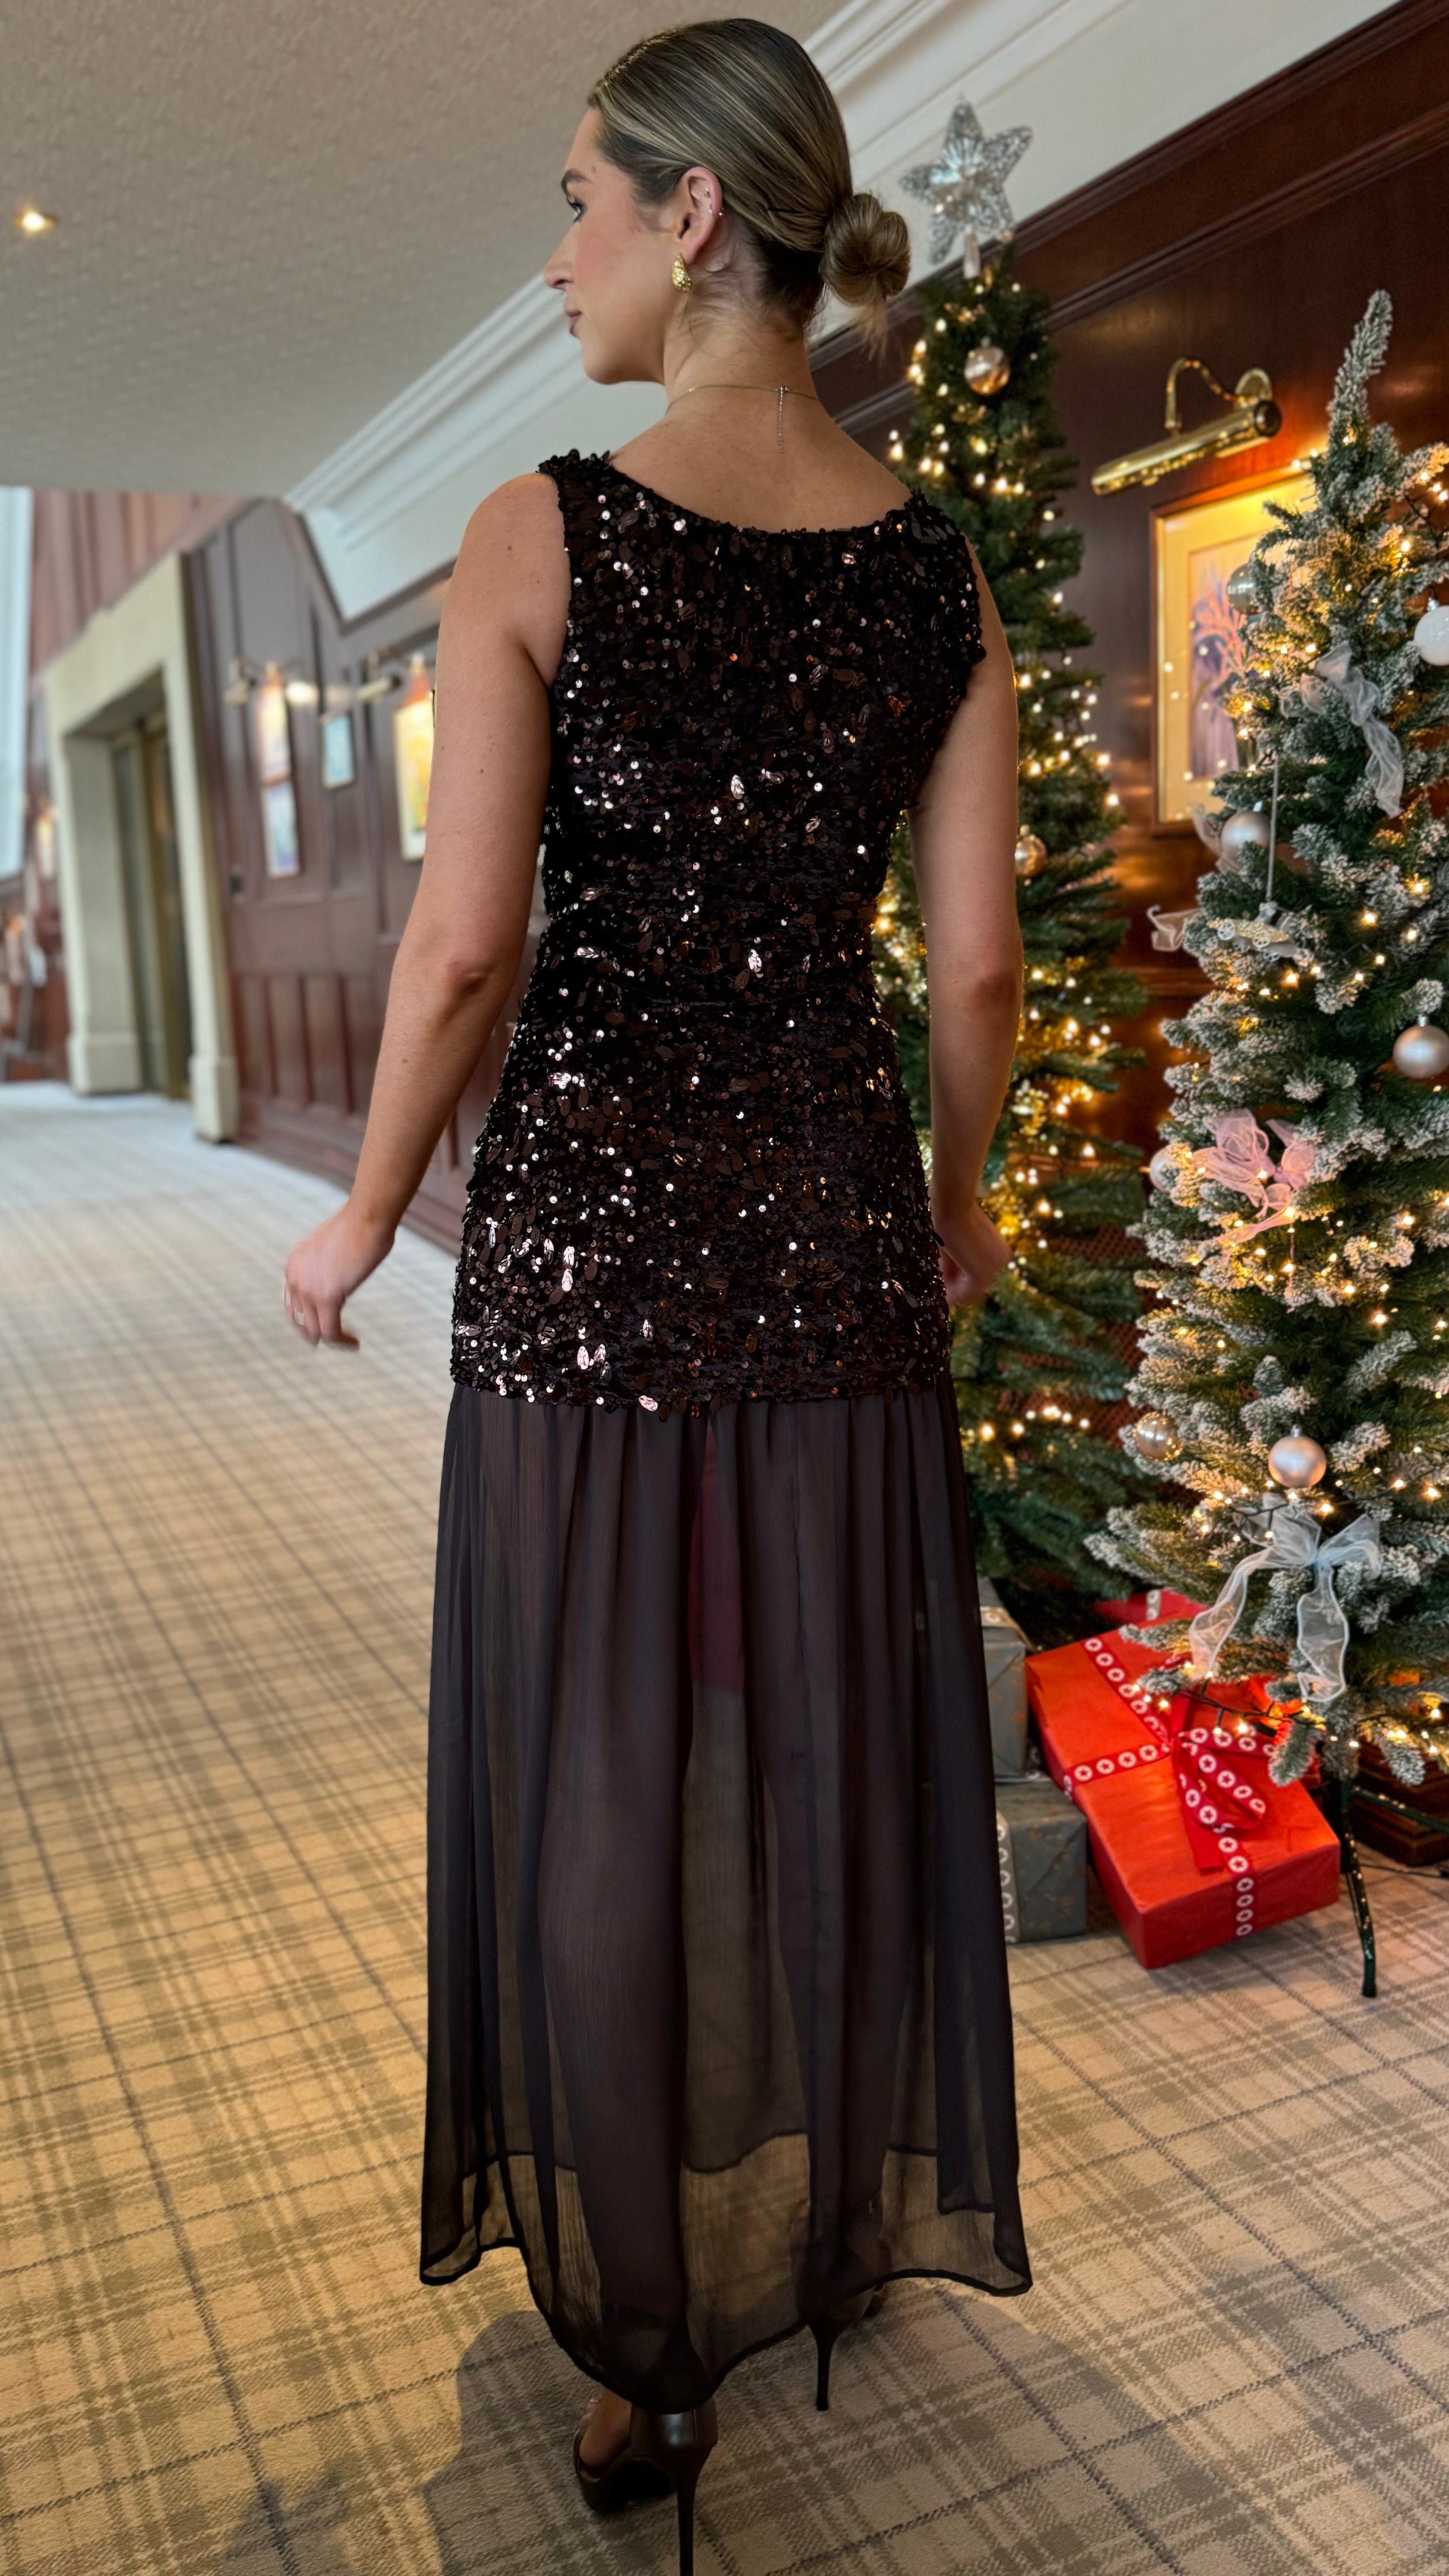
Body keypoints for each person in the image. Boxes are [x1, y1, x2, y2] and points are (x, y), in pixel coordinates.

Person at [282, 21, 1030, 2571]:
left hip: (592, 1278)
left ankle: (643, 2339)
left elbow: (461, 951)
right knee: (823, 1744)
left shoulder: (542, 533)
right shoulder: (935, 569)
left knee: (601, 1774)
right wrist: (958, 1204)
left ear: (694, 217)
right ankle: (824, 2230)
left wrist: (359, 1213)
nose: (555, 257)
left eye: (579, 201)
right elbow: (975, 975)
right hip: (834, 1265)